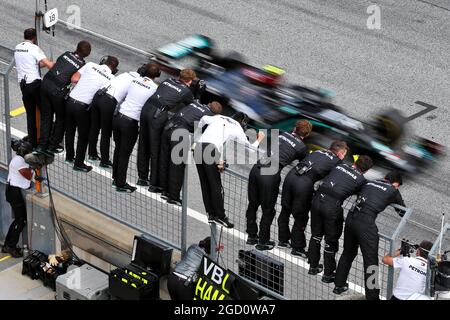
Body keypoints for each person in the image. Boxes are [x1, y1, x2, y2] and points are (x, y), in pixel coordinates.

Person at [333, 170, 406, 300]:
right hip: (366, 223)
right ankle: (372, 297)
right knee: (371, 261)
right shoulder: (393, 190)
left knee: (348, 253)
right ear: (395, 184)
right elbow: (402, 212)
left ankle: (339, 284)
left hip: (351, 217)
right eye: (397, 186)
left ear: (385, 177)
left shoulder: (370, 182)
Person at [246, 120, 312, 251]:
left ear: (294, 128)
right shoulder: (302, 147)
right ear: (307, 134)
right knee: (268, 210)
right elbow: (303, 165)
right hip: (270, 175)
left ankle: (251, 235)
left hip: (256, 169)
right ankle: (263, 241)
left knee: (253, 205)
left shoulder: (282, 134)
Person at [307, 155, 374, 282]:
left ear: (355, 161)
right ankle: (328, 274)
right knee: (331, 241)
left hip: (317, 201)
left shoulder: (339, 166)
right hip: (331, 208)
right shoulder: (361, 180)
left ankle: (313, 266)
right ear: (366, 171)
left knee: (316, 236)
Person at [194, 112, 265, 229]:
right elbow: (250, 151)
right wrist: (259, 139)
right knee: (216, 186)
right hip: (211, 150)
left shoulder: (219, 117)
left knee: (205, 184)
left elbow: (203, 118)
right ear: (242, 123)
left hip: (199, 147)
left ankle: (211, 214)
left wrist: (197, 137)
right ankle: (220, 216)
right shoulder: (237, 127)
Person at [278, 141, 348, 257]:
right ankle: (297, 248)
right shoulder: (337, 162)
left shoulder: (318, 151)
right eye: (344, 154)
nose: (344, 157)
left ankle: (283, 240)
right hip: (303, 183)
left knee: (285, 209)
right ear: (340, 153)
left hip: (291, 176)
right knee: (301, 216)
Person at [137, 69, 196, 191]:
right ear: (189, 81)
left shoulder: (167, 80)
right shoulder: (186, 91)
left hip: (146, 109)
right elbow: (193, 106)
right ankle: (154, 183)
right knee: (155, 149)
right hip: (157, 115)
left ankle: (142, 178)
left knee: (143, 144)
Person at [159, 101, 223, 206]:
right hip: (180, 132)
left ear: (209, 104)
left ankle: (164, 190)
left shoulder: (195, 103)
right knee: (177, 166)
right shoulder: (209, 116)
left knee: (165, 160)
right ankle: (173, 196)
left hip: (169, 125)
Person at [36, 41, 91, 155]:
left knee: (46, 117)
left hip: (45, 84)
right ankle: (53, 145)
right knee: (61, 119)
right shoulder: (82, 65)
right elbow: (75, 80)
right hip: (57, 91)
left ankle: (41, 146)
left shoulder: (66, 54)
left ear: (77, 47)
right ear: (86, 55)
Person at [65, 56, 118, 172]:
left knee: (69, 130)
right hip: (82, 107)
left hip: (70, 100)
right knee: (83, 137)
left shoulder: (90, 65)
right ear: (114, 69)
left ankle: (69, 157)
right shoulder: (112, 78)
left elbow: (74, 79)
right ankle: (78, 163)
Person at [112, 63, 159, 192]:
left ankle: (115, 178)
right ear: (157, 75)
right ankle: (120, 184)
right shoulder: (155, 88)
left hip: (118, 117)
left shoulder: (135, 80)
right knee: (124, 154)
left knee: (118, 149)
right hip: (130, 122)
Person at [88, 64, 147, 167]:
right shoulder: (137, 82)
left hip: (98, 95)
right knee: (106, 133)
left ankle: (92, 154)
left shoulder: (126, 74)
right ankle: (104, 161)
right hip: (108, 101)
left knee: (94, 127)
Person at [14, 28, 54, 148]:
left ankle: (33, 141)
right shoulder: (34, 48)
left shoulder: (17, 47)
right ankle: (46, 139)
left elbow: (32, 64)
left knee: (30, 115)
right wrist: (55, 64)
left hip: (23, 85)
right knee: (46, 112)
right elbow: (48, 65)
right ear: (35, 38)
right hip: (35, 85)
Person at [1, 139, 34, 258]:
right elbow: (29, 175)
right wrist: (33, 165)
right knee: (21, 220)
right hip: (14, 192)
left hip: (14, 190)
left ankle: (7, 245)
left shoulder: (20, 159)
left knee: (19, 219)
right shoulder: (19, 161)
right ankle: (10, 246)